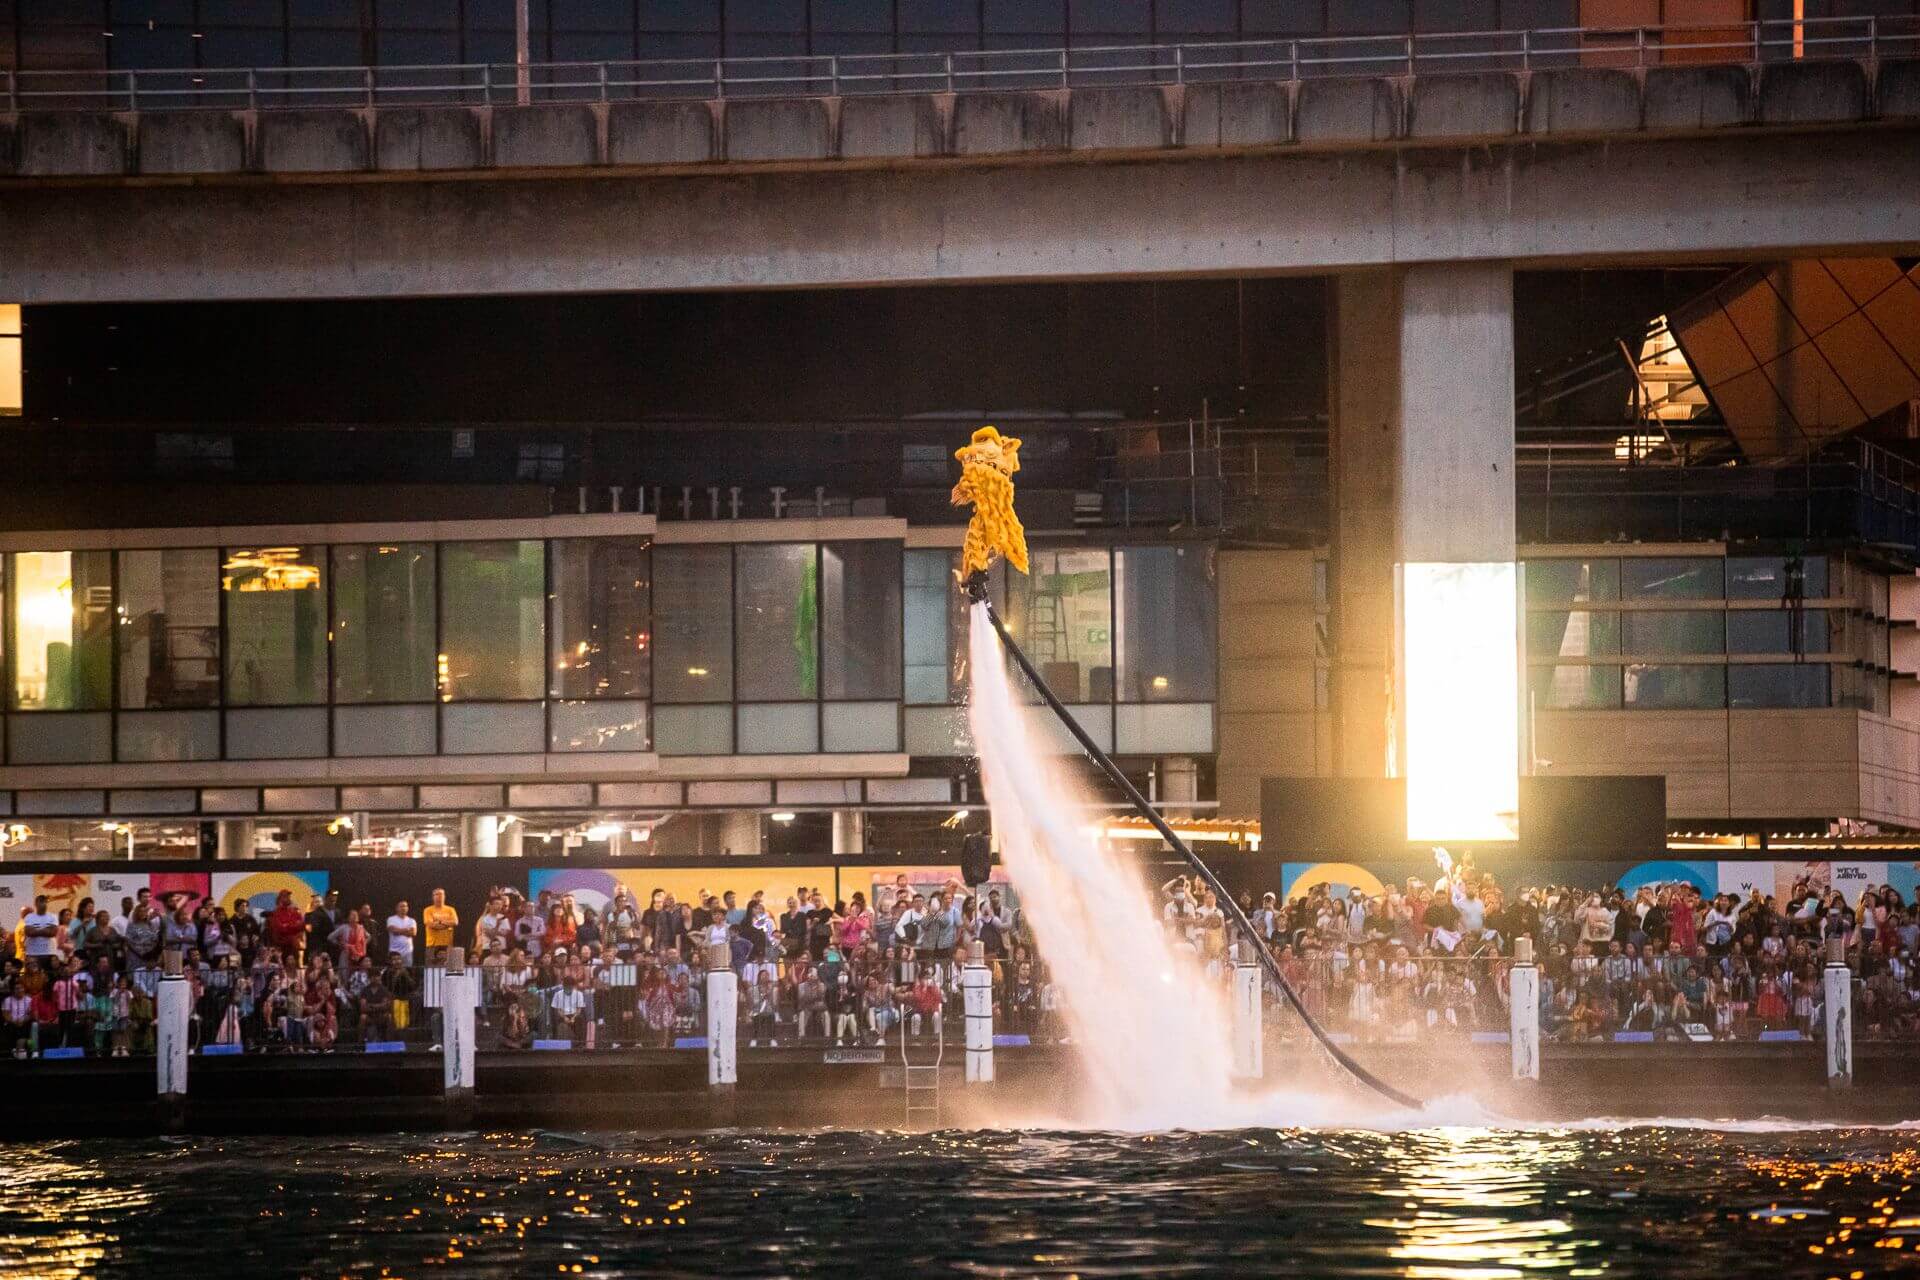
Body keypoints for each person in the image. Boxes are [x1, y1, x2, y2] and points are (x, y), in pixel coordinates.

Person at [19, 895, 60, 974]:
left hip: (49, 953)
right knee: (32, 977)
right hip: (32, 954)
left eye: (45, 902)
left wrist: (36, 930)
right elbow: (29, 933)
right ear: (36, 904)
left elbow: (53, 933)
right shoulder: (29, 917)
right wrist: (46, 930)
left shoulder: (53, 917)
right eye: (41, 902)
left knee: (49, 977)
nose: (44, 904)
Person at [422, 889, 459, 962]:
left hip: (447, 943)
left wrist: (439, 921)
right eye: (437, 894)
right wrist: (447, 924)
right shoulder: (428, 910)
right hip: (432, 944)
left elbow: (455, 922)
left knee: (448, 966)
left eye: (441, 894)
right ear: (433, 897)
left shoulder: (450, 909)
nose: (439, 896)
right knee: (431, 967)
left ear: (444, 896)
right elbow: (431, 924)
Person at [385, 901, 418, 969]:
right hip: (394, 950)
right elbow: (393, 930)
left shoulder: (412, 920)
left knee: (407, 971)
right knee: (393, 971)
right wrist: (406, 930)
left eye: (405, 906)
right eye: (401, 906)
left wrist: (399, 931)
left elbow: (413, 933)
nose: (404, 908)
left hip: (408, 951)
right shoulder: (391, 919)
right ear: (397, 908)